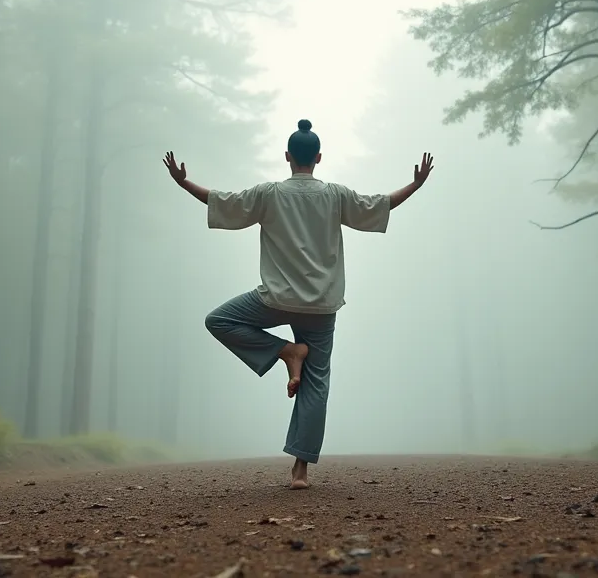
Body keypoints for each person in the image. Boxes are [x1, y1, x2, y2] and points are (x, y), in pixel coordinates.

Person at [162, 118, 433, 489]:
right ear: (318, 158)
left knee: (219, 320)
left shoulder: (269, 193)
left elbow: (222, 201)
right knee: (316, 383)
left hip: (275, 299)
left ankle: (287, 352)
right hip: (321, 305)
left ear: (287, 156)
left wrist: (183, 183)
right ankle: (300, 471)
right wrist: (416, 185)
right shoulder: (335, 195)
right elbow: (380, 204)